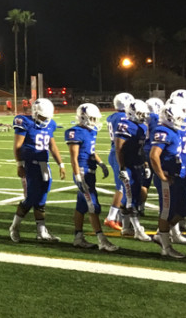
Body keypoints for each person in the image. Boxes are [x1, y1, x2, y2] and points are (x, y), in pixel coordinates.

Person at [9, 98, 66, 242]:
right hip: (30, 165)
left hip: (44, 165)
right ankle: (14, 227)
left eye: (47, 117)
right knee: (30, 198)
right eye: (42, 116)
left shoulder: (51, 124)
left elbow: (52, 145)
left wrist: (61, 164)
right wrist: (20, 164)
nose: (45, 120)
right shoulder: (25, 122)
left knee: (42, 199)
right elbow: (17, 146)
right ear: (35, 113)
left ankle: (41, 232)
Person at [63, 103, 117, 251]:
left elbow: (91, 151)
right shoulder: (76, 132)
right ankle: (102, 240)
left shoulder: (90, 131)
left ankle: (78, 238)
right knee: (93, 206)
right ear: (83, 117)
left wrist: (101, 163)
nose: (95, 121)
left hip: (90, 172)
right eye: (92, 118)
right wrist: (77, 176)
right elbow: (74, 158)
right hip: (82, 172)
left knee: (81, 206)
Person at [149, 101, 186, 258]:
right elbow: (154, 155)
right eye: (178, 118)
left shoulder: (173, 131)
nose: (180, 121)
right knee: (166, 212)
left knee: (184, 209)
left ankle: (161, 234)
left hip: (176, 177)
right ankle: (166, 248)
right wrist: (161, 176)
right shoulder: (162, 131)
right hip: (167, 177)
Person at [115, 99, 151, 241]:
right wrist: (122, 168)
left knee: (132, 197)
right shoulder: (125, 125)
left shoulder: (142, 126)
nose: (143, 116)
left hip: (137, 165)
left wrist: (145, 163)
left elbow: (140, 149)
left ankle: (125, 228)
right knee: (131, 200)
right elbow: (119, 149)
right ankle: (137, 229)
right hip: (128, 166)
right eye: (140, 113)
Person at [103, 92, 134, 231]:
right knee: (122, 187)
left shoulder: (112, 116)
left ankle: (120, 218)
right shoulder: (123, 117)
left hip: (115, 153)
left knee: (125, 186)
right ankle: (111, 217)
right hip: (119, 153)